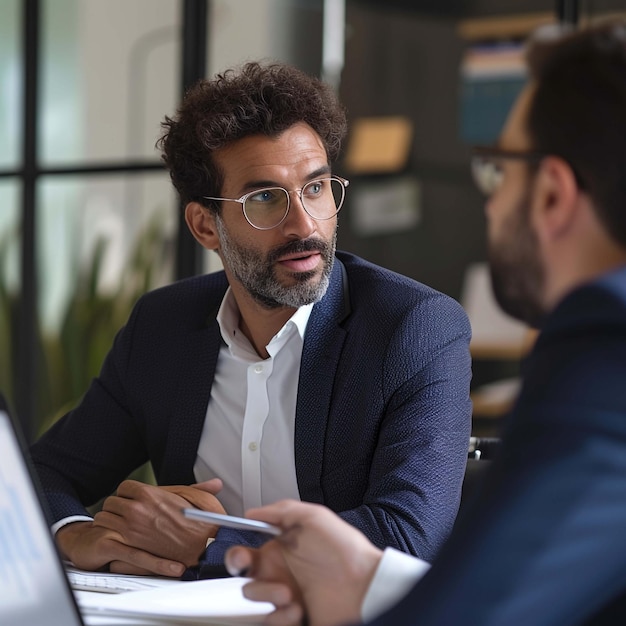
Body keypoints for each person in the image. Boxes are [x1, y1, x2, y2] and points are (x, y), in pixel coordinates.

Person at [223, 21, 626, 625]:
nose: (490, 201)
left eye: (500, 168)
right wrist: (367, 580)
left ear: (552, 194)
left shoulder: (605, 349)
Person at [29, 62, 472, 580]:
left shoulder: (414, 329)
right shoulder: (163, 327)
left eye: (316, 188)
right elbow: (43, 474)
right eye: (264, 197)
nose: (304, 225)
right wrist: (74, 533)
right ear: (204, 226)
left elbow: (407, 537)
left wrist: (214, 541)